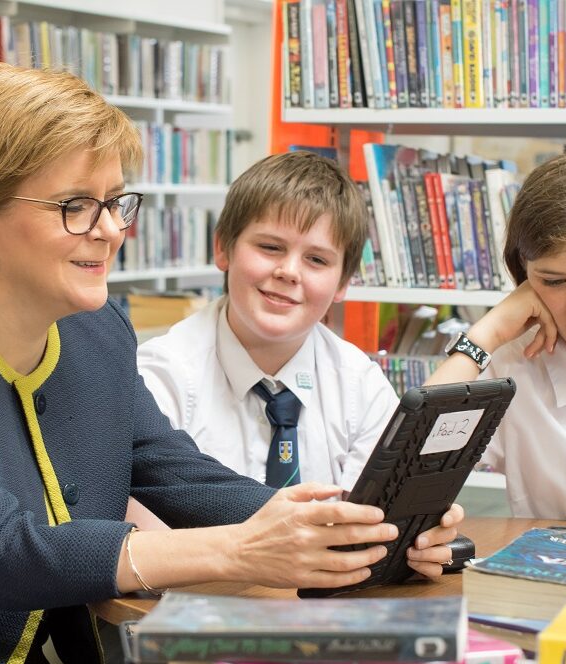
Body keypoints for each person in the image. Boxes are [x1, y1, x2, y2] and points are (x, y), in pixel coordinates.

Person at [0, 63, 458, 664]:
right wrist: (240, 552)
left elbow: (177, 473)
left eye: (115, 203)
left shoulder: (96, 330)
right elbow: (2, 552)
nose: (111, 230)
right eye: (77, 206)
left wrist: (363, 530)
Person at [134, 150, 462, 565]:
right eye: (270, 247)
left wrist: (415, 536)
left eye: (317, 259)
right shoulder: (159, 376)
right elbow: (148, 545)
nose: (290, 271)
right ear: (223, 249)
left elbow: (374, 526)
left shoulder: (359, 382)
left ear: (343, 282)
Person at [427, 149, 566, 522]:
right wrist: (487, 333)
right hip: (558, 575)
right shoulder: (512, 364)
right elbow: (404, 463)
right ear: (524, 276)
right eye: (554, 281)